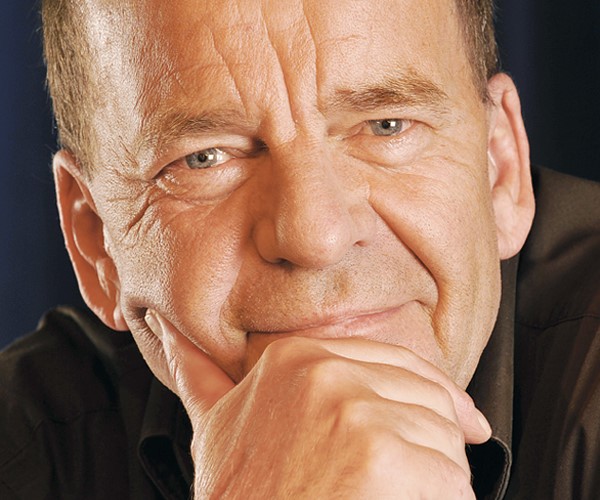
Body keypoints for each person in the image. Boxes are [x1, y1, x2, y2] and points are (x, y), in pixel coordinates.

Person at [1, 0, 598, 498]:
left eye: (387, 126)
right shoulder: (25, 446)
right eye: (204, 158)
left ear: (499, 170)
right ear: (98, 243)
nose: (317, 238)